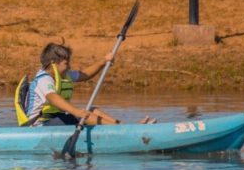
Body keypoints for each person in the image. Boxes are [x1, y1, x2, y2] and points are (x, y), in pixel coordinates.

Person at [15, 42, 156, 127]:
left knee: (92, 110)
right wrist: (76, 112)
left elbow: (85, 74)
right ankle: (124, 131)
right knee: (82, 115)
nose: (69, 66)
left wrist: (103, 62)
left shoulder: (64, 74)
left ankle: (123, 128)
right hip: (39, 125)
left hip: (56, 120)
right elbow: (53, 98)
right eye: (66, 63)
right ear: (53, 63)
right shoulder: (43, 80)